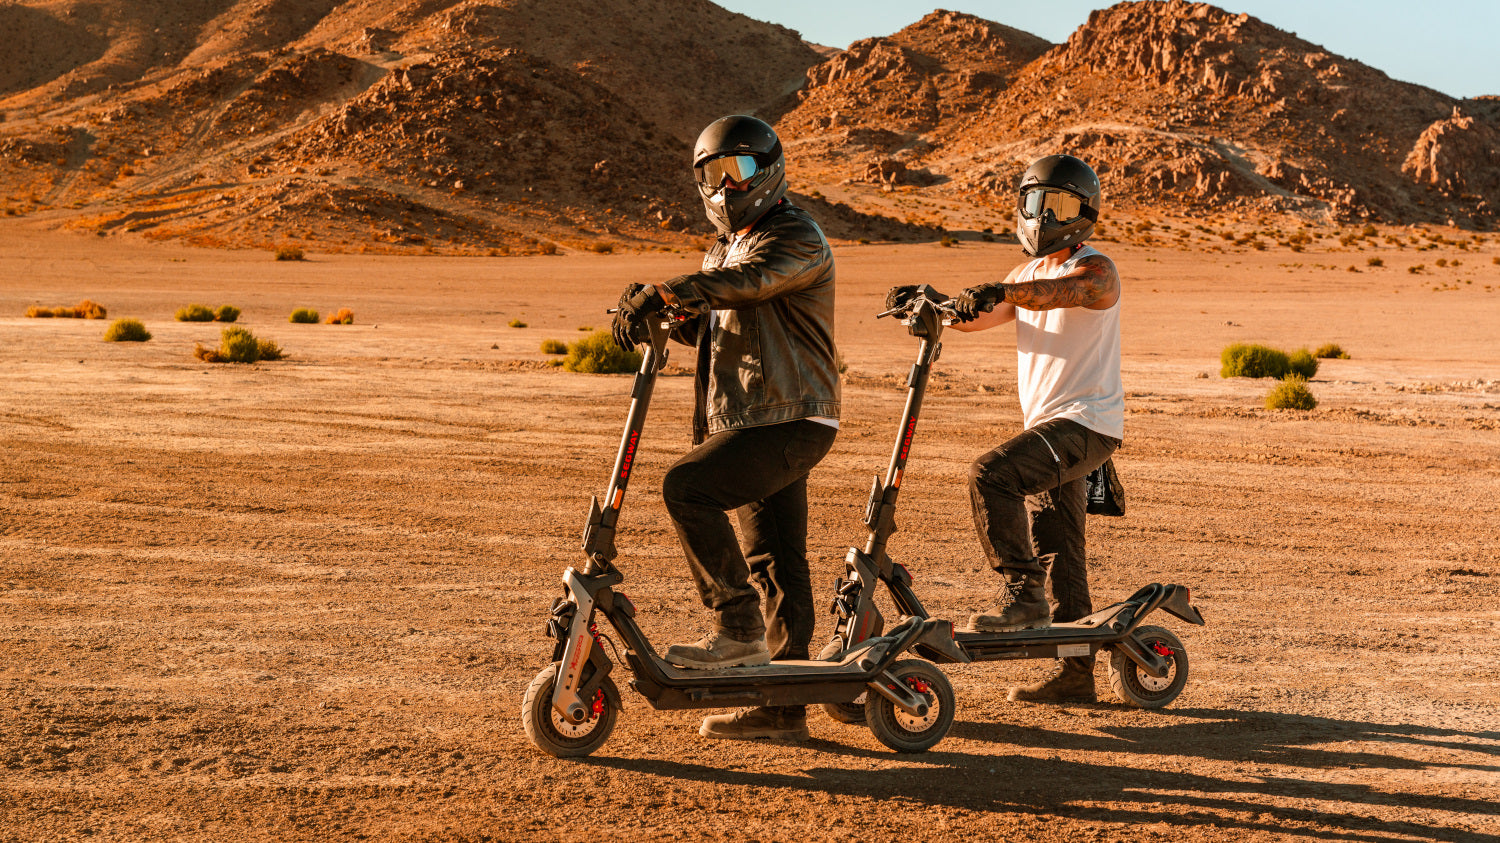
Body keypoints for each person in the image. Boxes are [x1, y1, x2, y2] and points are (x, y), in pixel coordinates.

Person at [610, 114, 839, 740]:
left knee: (688, 488)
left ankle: (736, 628)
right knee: (775, 559)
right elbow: (724, 320)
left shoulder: (794, 235)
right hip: (758, 414)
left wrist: (670, 288)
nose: (724, 188)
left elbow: (750, 285)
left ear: (766, 171)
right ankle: (783, 706)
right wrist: (666, 316)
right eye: (712, 175)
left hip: (788, 415)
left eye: (736, 172)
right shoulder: (725, 248)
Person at [886, 154, 1122, 703]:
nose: (1042, 215)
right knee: (1063, 547)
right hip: (1052, 425)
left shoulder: (1096, 268)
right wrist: (924, 306)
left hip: (1085, 424)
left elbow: (1070, 292)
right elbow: (977, 316)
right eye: (1034, 202)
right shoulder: (1023, 275)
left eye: (1057, 204)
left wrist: (1003, 292)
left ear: (1083, 212)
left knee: (991, 474)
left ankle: (1023, 594)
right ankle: (1075, 675)